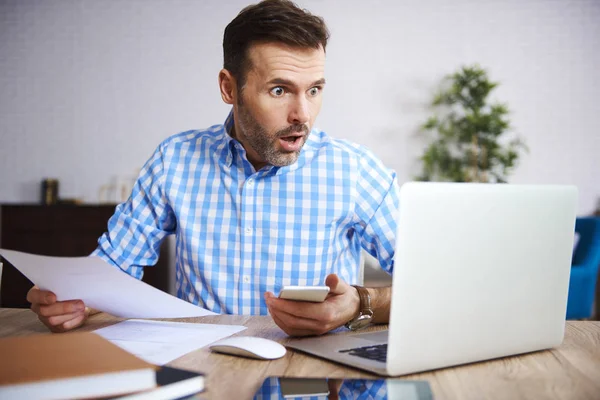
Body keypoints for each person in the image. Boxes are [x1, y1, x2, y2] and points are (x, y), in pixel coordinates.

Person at [27, 0, 398, 336]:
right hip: (206, 373)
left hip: (315, 379)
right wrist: (70, 299)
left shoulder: (355, 171)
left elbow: (437, 286)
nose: (302, 114)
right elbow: (112, 270)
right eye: (279, 90)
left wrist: (360, 303)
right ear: (229, 88)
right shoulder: (175, 160)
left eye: (314, 90)